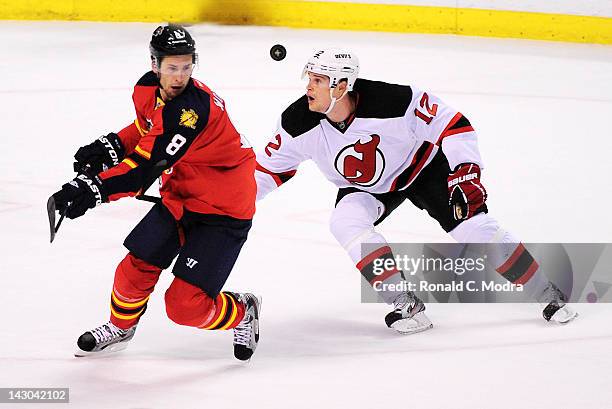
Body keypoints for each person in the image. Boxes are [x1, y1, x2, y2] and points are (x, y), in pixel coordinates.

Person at [255, 48, 577, 334]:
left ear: (341, 86)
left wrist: (465, 172)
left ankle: (547, 292)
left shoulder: (395, 100)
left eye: (318, 80)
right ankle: (405, 303)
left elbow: (454, 125)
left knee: (474, 228)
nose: (308, 87)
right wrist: (228, 203)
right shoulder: (298, 122)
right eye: (309, 78)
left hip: (423, 169)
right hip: (365, 188)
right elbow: (267, 172)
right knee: (344, 222)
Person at [51, 24, 261, 360]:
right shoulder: (147, 89)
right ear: (155, 65)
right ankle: (121, 328)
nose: (180, 76)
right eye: (172, 67)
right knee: (133, 269)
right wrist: (112, 146)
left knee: (184, 308)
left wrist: (95, 188)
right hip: (181, 195)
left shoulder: (190, 113)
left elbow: (146, 166)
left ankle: (243, 310)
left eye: (187, 67)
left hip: (222, 209)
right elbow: (146, 128)